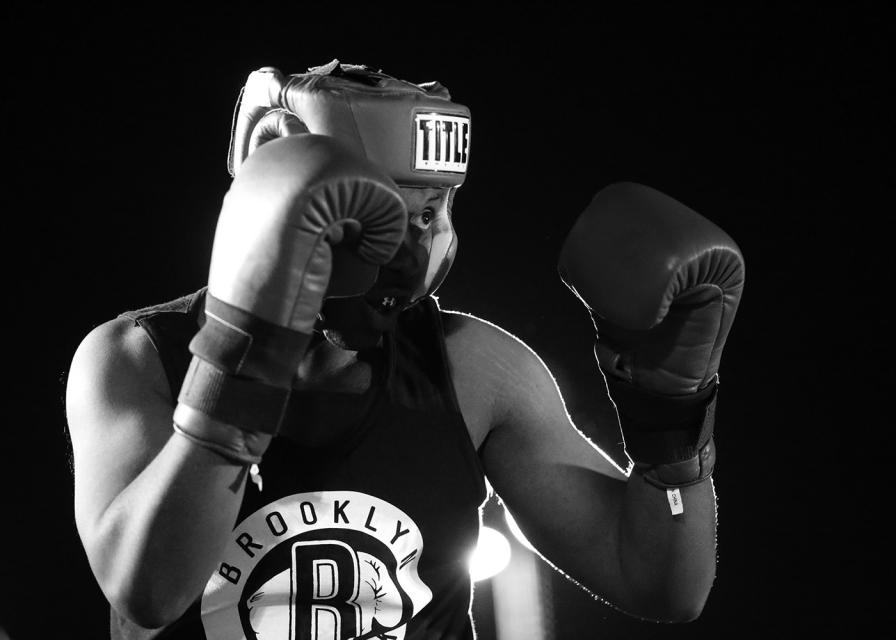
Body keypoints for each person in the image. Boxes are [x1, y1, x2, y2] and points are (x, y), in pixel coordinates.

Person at [65, 59, 745, 639]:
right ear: (280, 202)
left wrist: (669, 424)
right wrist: (249, 352)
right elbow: (149, 591)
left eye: (428, 213)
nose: (411, 247)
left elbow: (657, 584)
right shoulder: (136, 357)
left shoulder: (473, 366)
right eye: (382, 209)